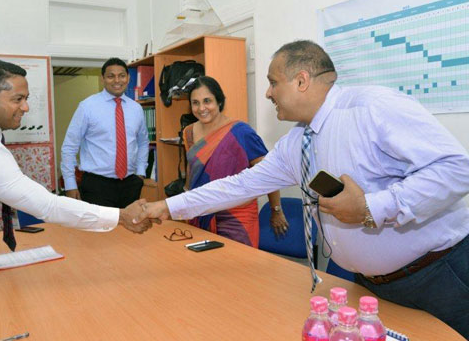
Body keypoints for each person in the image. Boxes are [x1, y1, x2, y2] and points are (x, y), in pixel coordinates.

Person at [136, 40, 469, 338]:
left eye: (272, 82)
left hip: (439, 275)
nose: (267, 93)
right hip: (370, 287)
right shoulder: (297, 142)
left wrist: (372, 207)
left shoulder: (371, 108)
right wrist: (165, 207)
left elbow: (456, 168)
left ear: (301, 80)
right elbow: (239, 185)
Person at [0, 59, 153, 326]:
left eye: (26, 98)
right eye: (17, 99)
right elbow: (47, 206)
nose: (25, 107)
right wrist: (121, 216)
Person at [182, 76, 287, 246]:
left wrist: (276, 210)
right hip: (200, 211)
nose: (201, 108)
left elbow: (268, 172)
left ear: (219, 101)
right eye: (195, 103)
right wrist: (184, 204)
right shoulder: (188, 132)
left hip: (236, 216)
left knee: (237, 261)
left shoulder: (241, 132)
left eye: (207, 101)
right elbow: (192, 169)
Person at [61, 57, 149, 208]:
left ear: (128, 78)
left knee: (130, 224)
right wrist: (70, 184)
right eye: (110, 76)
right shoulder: (87, 107)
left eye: (122, 76)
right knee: (100, 224)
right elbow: (69, 147)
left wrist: (140, 173)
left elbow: (143, 142)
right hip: (96, 185)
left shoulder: (136, 109)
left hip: (130, 184)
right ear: (102, 79)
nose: (117, 80)